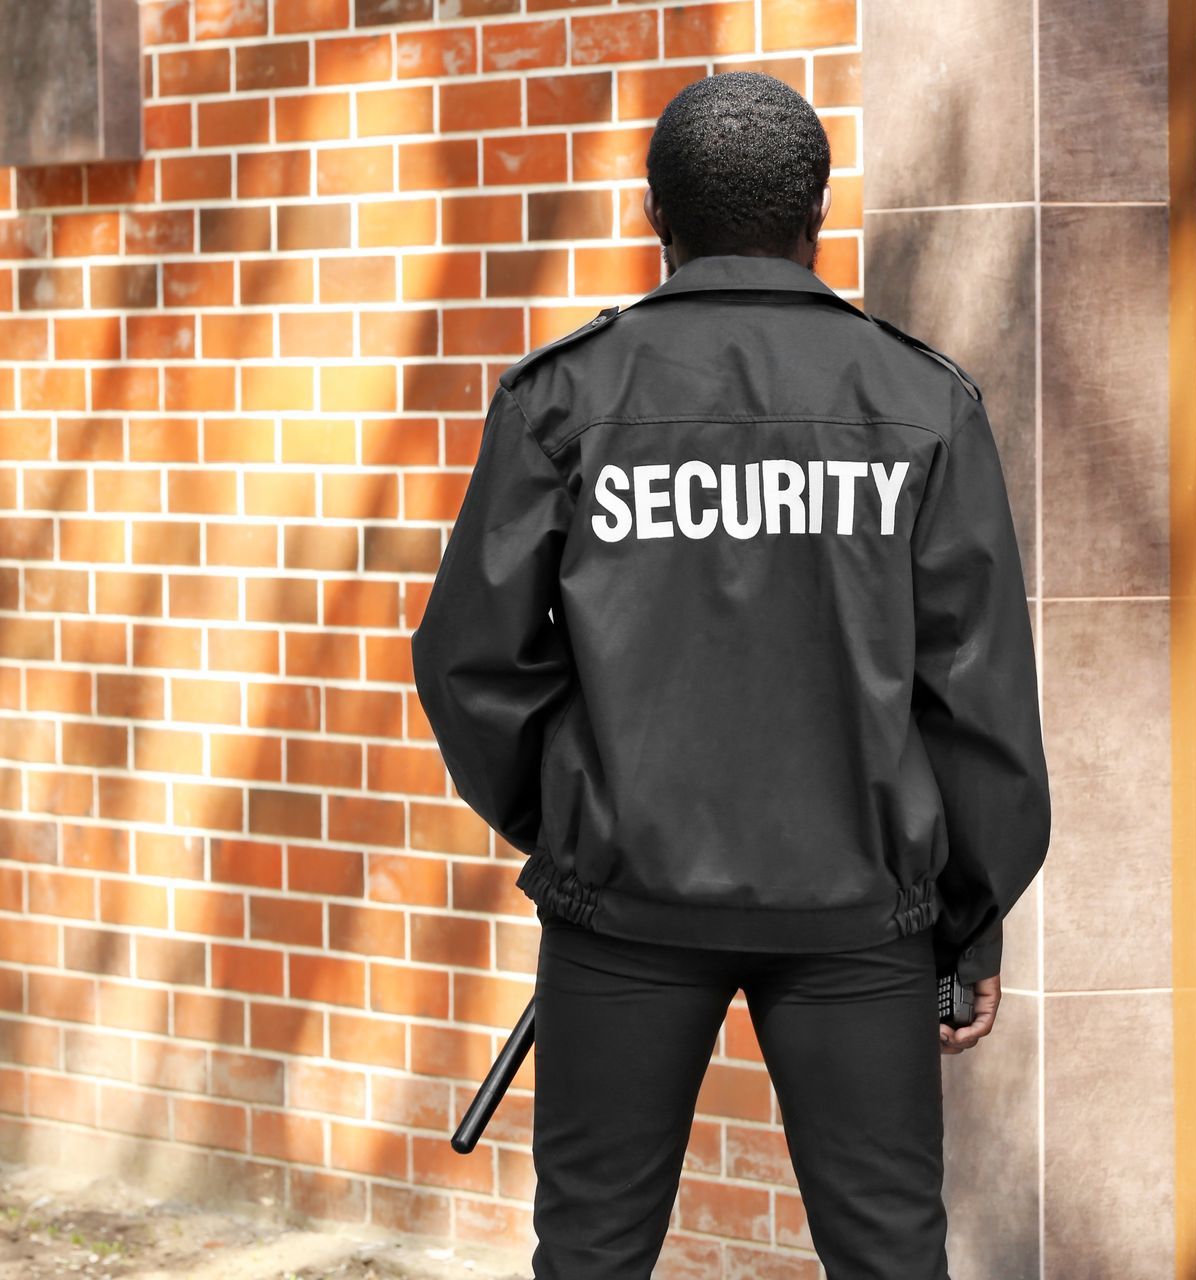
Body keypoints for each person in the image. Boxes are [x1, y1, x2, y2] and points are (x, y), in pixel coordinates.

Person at [410, 71, 1050, 1279]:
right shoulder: (921, 401)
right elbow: (976, 695)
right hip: (862, 914)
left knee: (591, 1253)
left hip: (623, 906)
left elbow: (469, 661)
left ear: (656, 215)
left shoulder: (566, 396)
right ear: (818, 213)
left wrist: (583, 826)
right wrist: (970, 920)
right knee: (891, 1256)